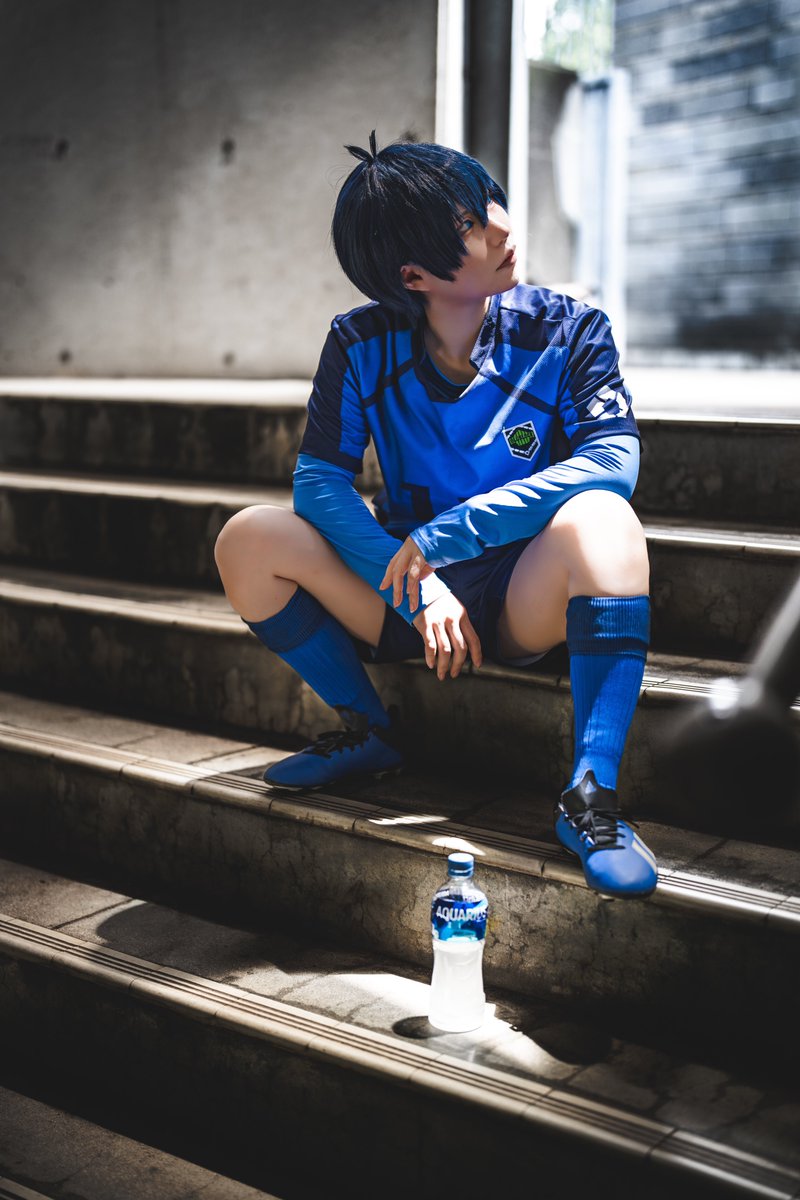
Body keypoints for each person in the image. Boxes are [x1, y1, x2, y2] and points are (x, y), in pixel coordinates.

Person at [214, 132, 657, 900]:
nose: (502, 226)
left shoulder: (570, 330)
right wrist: (419, 585)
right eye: (470, 224)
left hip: (517, 590)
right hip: (402, 593)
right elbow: (319, 485)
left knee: (605, 520)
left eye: (492, 202)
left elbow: (614, 460)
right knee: (249, 538)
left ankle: (590, 796)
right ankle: (370, 732)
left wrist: (449, 535)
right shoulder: (359, 341)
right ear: (412, 275)